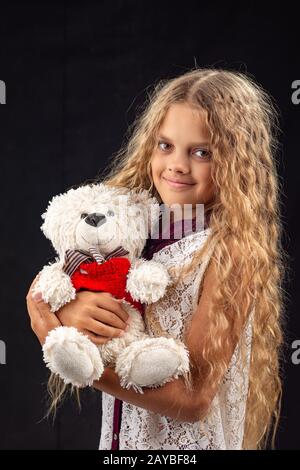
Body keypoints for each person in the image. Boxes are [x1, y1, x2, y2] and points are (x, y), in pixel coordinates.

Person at [26, 67, 287, 450]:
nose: (178, 165)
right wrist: (62, 307)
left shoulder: (230, 252)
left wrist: (65, 349)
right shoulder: (135, 225)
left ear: (236, 163)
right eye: (166, 145)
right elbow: (64, 272)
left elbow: (194, 400)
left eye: (202, 152)